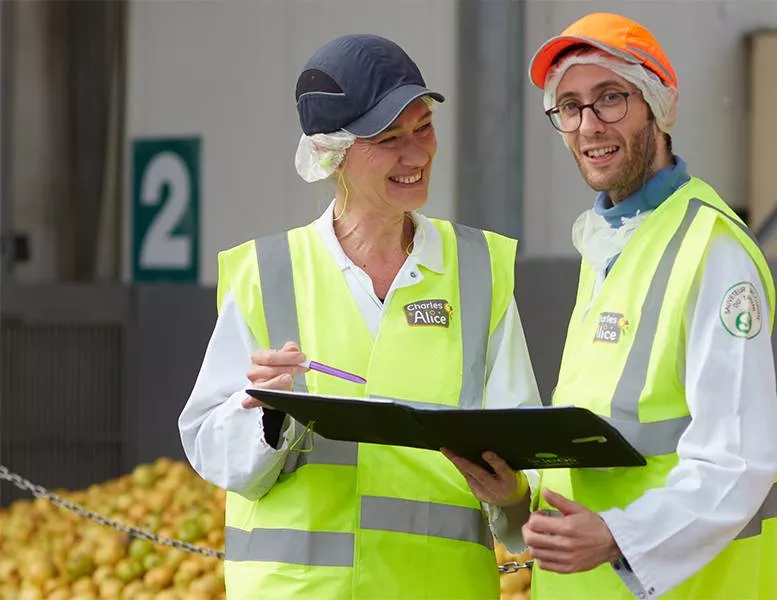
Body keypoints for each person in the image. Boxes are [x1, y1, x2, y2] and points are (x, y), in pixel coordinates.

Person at [178, 33, 541, 600]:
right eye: (389, 139)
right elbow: (212, 451)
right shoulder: (266, 272)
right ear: (332, 153)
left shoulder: (479, 271)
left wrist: (514, 494)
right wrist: (267, 414)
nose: (416, 154)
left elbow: (524, 447)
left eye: (423, 127)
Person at [445, 12, 777, 600]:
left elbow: (739, 461)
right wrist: (519, 498)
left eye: (610, 99)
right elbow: (605, 444)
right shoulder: (608, 243)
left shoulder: (713, 251)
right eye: (569, 107)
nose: (588, 125)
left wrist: (619, 535)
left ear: (656, 106)